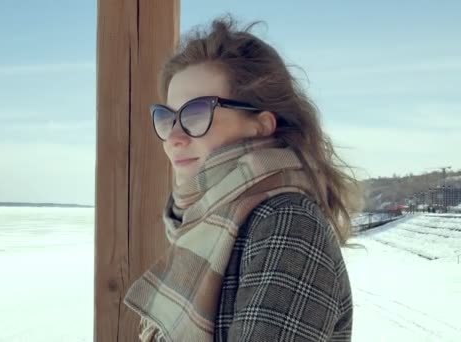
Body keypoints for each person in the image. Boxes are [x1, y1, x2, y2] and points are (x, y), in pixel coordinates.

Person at [124, 15, 361, 342]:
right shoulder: (205, 223)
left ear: (261, 125)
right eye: (167, 117)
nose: (174, 137)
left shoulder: (287, 222)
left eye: (195, 114)